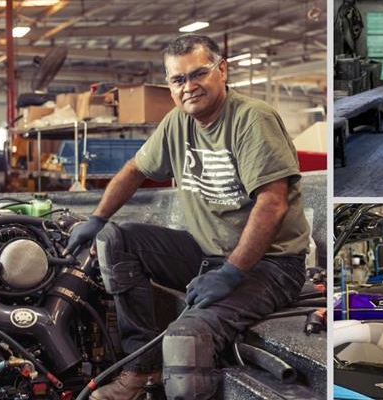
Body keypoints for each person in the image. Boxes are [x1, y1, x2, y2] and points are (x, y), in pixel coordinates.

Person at [63, 35, 309, 400]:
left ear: (221, 70)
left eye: (198, 74)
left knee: (186, 339)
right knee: (118, 239)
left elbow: (272, 204)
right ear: (170, 85)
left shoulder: (251, 119)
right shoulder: (177, 123)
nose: (189, 87)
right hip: (208, 252)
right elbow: (135, 169)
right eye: (178, 80)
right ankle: (140, 370)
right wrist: (97, 219)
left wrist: (232, 272)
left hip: (271, 264)